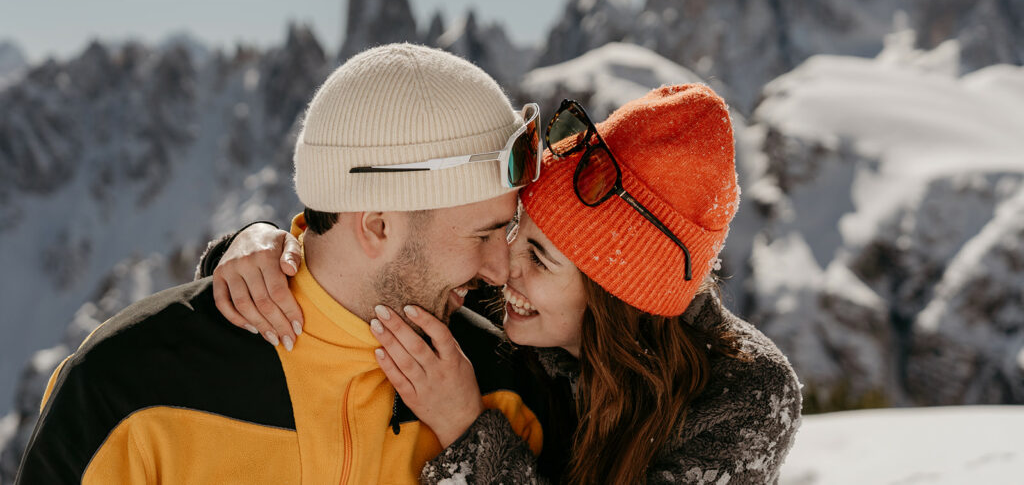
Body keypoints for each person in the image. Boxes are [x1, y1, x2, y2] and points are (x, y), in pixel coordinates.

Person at [206, 83, 803, 484]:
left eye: (539, 258)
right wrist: (260, 250)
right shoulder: (517, 305)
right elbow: (371, 267)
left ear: (616, 300)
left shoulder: (743, 397)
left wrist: (468, 430)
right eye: (517, 230)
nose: (501, 267)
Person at [15, 43, 547, 484]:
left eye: (509, 230)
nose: (501, 272)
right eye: (484, 235)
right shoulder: (127, 386)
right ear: (378, 225)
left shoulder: (500, 392)